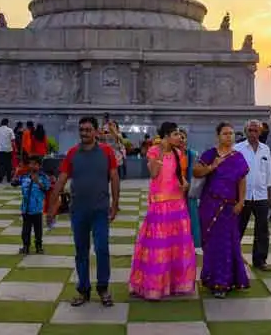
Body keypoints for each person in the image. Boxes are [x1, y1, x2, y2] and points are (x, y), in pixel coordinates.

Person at [48, 116, 120, 307]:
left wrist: (115, 204)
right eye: (82, 130)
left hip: (100, 210)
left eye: (88, 130)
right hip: (78, 210)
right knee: (81, 251)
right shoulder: (72, 153)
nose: (84, 133)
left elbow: (114, 177)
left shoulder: (106, 152)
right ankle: (83, 290)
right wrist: (51, 207)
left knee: (102, 249)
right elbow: (62, 179)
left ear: (96, 132)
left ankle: (103, 288)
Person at [129, 122, 196, 300]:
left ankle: (175, 283)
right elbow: (154, 173)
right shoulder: (153, 151)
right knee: (158, 245)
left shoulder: (179, 153)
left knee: (176, 244)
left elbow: (179, 177)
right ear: (166, 136)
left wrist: (184, 185)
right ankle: (155, 286)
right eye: (175, 134)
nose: (179, 137)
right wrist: (160, 151)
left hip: (177, 203)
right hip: (160, 203)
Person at [193, 121, 249, 298]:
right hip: (210, 205)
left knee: (228, 243)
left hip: (229, 207)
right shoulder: (210, 154)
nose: (229, 136)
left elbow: (241, 180)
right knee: (211, 243)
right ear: (218, 136)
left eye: (231, 133)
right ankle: (211, 279)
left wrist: (241, 202)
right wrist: (212, 166)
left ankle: (223, 283)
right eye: (225, 133)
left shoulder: (238, 157)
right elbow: (196, 172)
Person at [235, 120, 271, 271]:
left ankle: (260, 260)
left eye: (256, 131)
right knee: (238, 228)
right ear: (246, 132)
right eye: (250, 130)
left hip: (261, 194)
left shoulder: (265, 149)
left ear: (260, 132)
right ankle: (233, 258)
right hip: (242, 196)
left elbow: (269, 172)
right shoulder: (238, 148)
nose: (253, 133)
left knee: (262, 230)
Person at [12, 155, 50, 255]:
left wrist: (38, 182)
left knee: (38, 231)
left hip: (37, 209)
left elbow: (46, 189)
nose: (32, 166)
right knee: (25, 230)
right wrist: (16, 172)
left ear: (39, 165)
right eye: (30, 164)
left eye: (35, 164)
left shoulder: (43, 177)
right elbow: (14, 183)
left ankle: (39, 247)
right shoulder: (24, 176)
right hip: (26, 209)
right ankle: (25, 246)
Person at [176, 128, 201, 248]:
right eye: (178, 136)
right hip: (173, 191)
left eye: (183, 137)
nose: (180, 139)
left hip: (189, 191)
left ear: (186, 139)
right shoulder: (169, 154)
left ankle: (189, 246)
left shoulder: (192, 154)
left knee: (190, 219)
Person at [0, 119, 15, 183]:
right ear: (7, 123)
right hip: (8, 150)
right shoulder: (10, 130)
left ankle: (0, 177)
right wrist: (14, 148)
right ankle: (9, 178)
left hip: (0, 150)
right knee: (8, 164)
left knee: (1, 164)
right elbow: (13, 140)